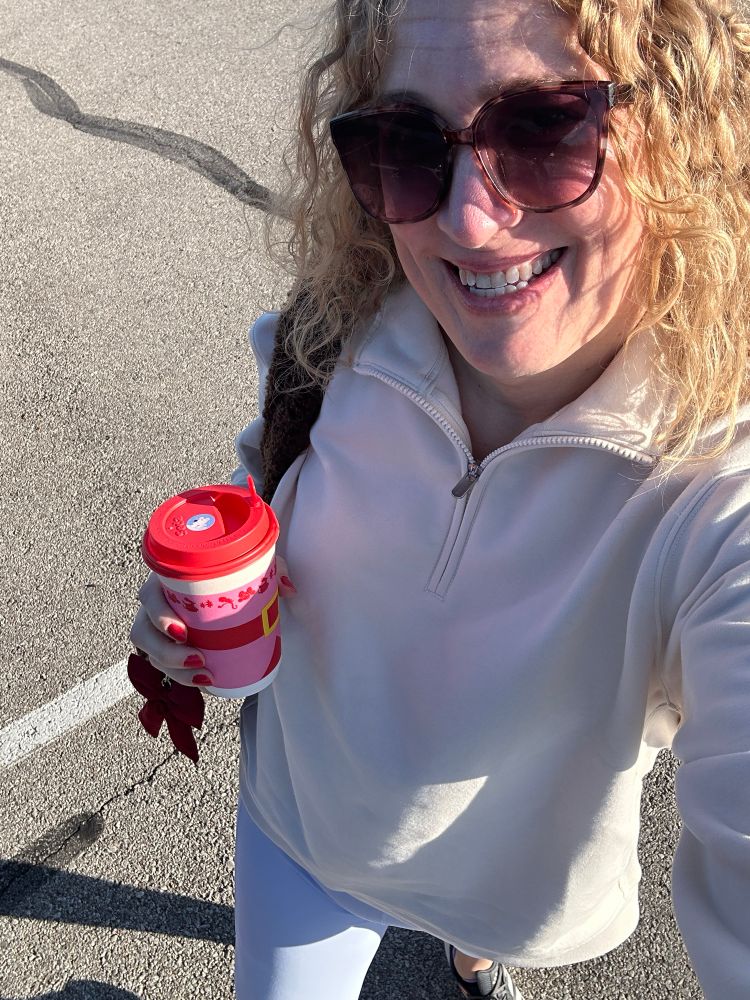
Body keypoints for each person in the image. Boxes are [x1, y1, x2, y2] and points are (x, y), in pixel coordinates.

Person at [129, 0, 750, 997]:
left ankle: (472, 953)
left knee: (473, 939)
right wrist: (197, 605)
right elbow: (265, 501)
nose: (465, 216)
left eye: (544, 130)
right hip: (306, 838)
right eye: (408, 144)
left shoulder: (721, 494)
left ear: (682, 130)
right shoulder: (330, 341)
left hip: (505, 886)